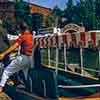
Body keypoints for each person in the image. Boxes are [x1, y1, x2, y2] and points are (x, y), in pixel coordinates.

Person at [0, 22, 33, 92]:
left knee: (6, 71)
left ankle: (0, 88)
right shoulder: (31, 36)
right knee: (26, 75)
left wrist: (3, 54)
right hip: (30, 59)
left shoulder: (23, 36)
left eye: (19, 30)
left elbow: (15, 46)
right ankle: (29, 90)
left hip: (22, 58)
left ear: (21, 29)